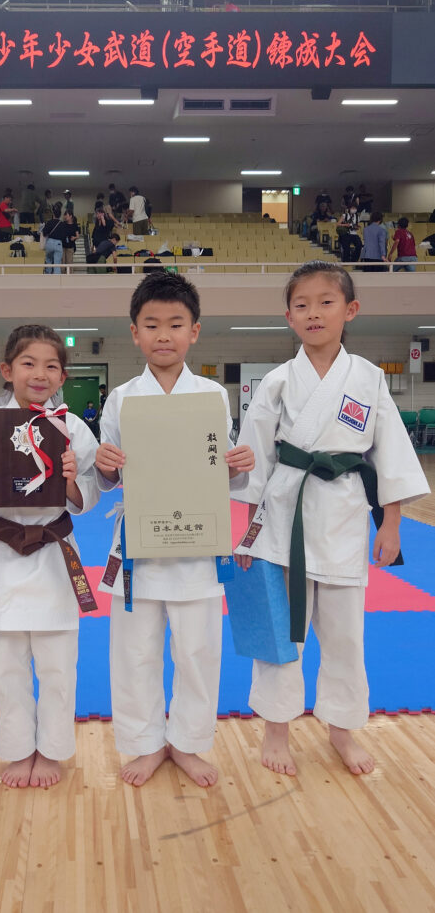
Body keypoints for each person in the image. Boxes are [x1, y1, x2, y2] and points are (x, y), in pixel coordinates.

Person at [234, 260, 429, 777]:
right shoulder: (277, 382)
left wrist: (391, 525)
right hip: (282, 518)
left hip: (343, 516)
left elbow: (388, 456)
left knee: (345, 636)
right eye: (302, 305)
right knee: (283, 634)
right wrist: (248, 536)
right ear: (289, 317)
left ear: (351, 310)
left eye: (326, 302)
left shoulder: (368, 379)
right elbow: (254, 462)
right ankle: (277, 729)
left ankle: (341, 728)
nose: (314, 313)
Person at [95, 271, 255, 787]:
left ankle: (187, 742)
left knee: (198, 649)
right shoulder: (121, 397)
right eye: (152, 324)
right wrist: (104, 463)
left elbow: (223, 471)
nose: (164, 335)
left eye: (175, 324)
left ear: (195, 331)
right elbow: (106, 477)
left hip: (197, 543)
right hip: (140, 542)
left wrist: (237, 464)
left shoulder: (212, 395)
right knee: (135, 651)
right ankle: (144, 743)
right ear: (135, 333)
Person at [0, 325, 99, 788]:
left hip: (55, 553)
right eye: (28, 363)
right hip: (2, 553)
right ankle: (18, 750)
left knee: (58, 665)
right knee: (7, 665)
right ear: (7, 370)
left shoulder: (74, 428)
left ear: (63, 376)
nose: (39, 374)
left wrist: (74, 476)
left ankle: (53, 751)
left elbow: (88, 497)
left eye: (51, 366)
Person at [41, 204, 64, 274]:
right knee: (57, 263)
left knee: (48, 260)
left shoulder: (49, 222)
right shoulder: (62, 224)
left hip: (50, 243)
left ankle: (48, 275)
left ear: (53, 214)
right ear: (60, 215)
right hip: (58, 243)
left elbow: (44, 233)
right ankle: (57, 280)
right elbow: (64, 235)